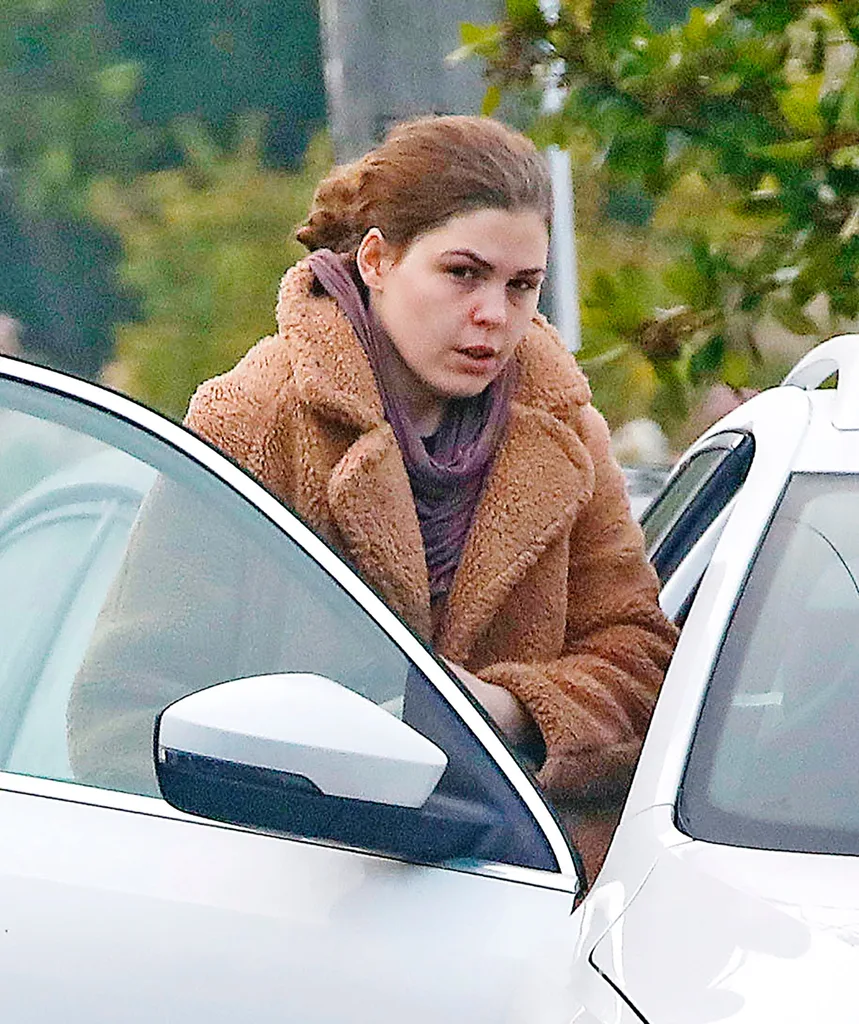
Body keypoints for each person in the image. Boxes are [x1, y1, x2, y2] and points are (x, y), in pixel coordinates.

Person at [178, 115, 677, 880]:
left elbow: (645, 668)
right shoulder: (253, 419)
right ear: (377, 259)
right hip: (290, 890)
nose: (494, 315)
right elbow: (132, 706)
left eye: (521, 286)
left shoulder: (564, 429)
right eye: (462, 274)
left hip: (525, 895)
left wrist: (504, 708)